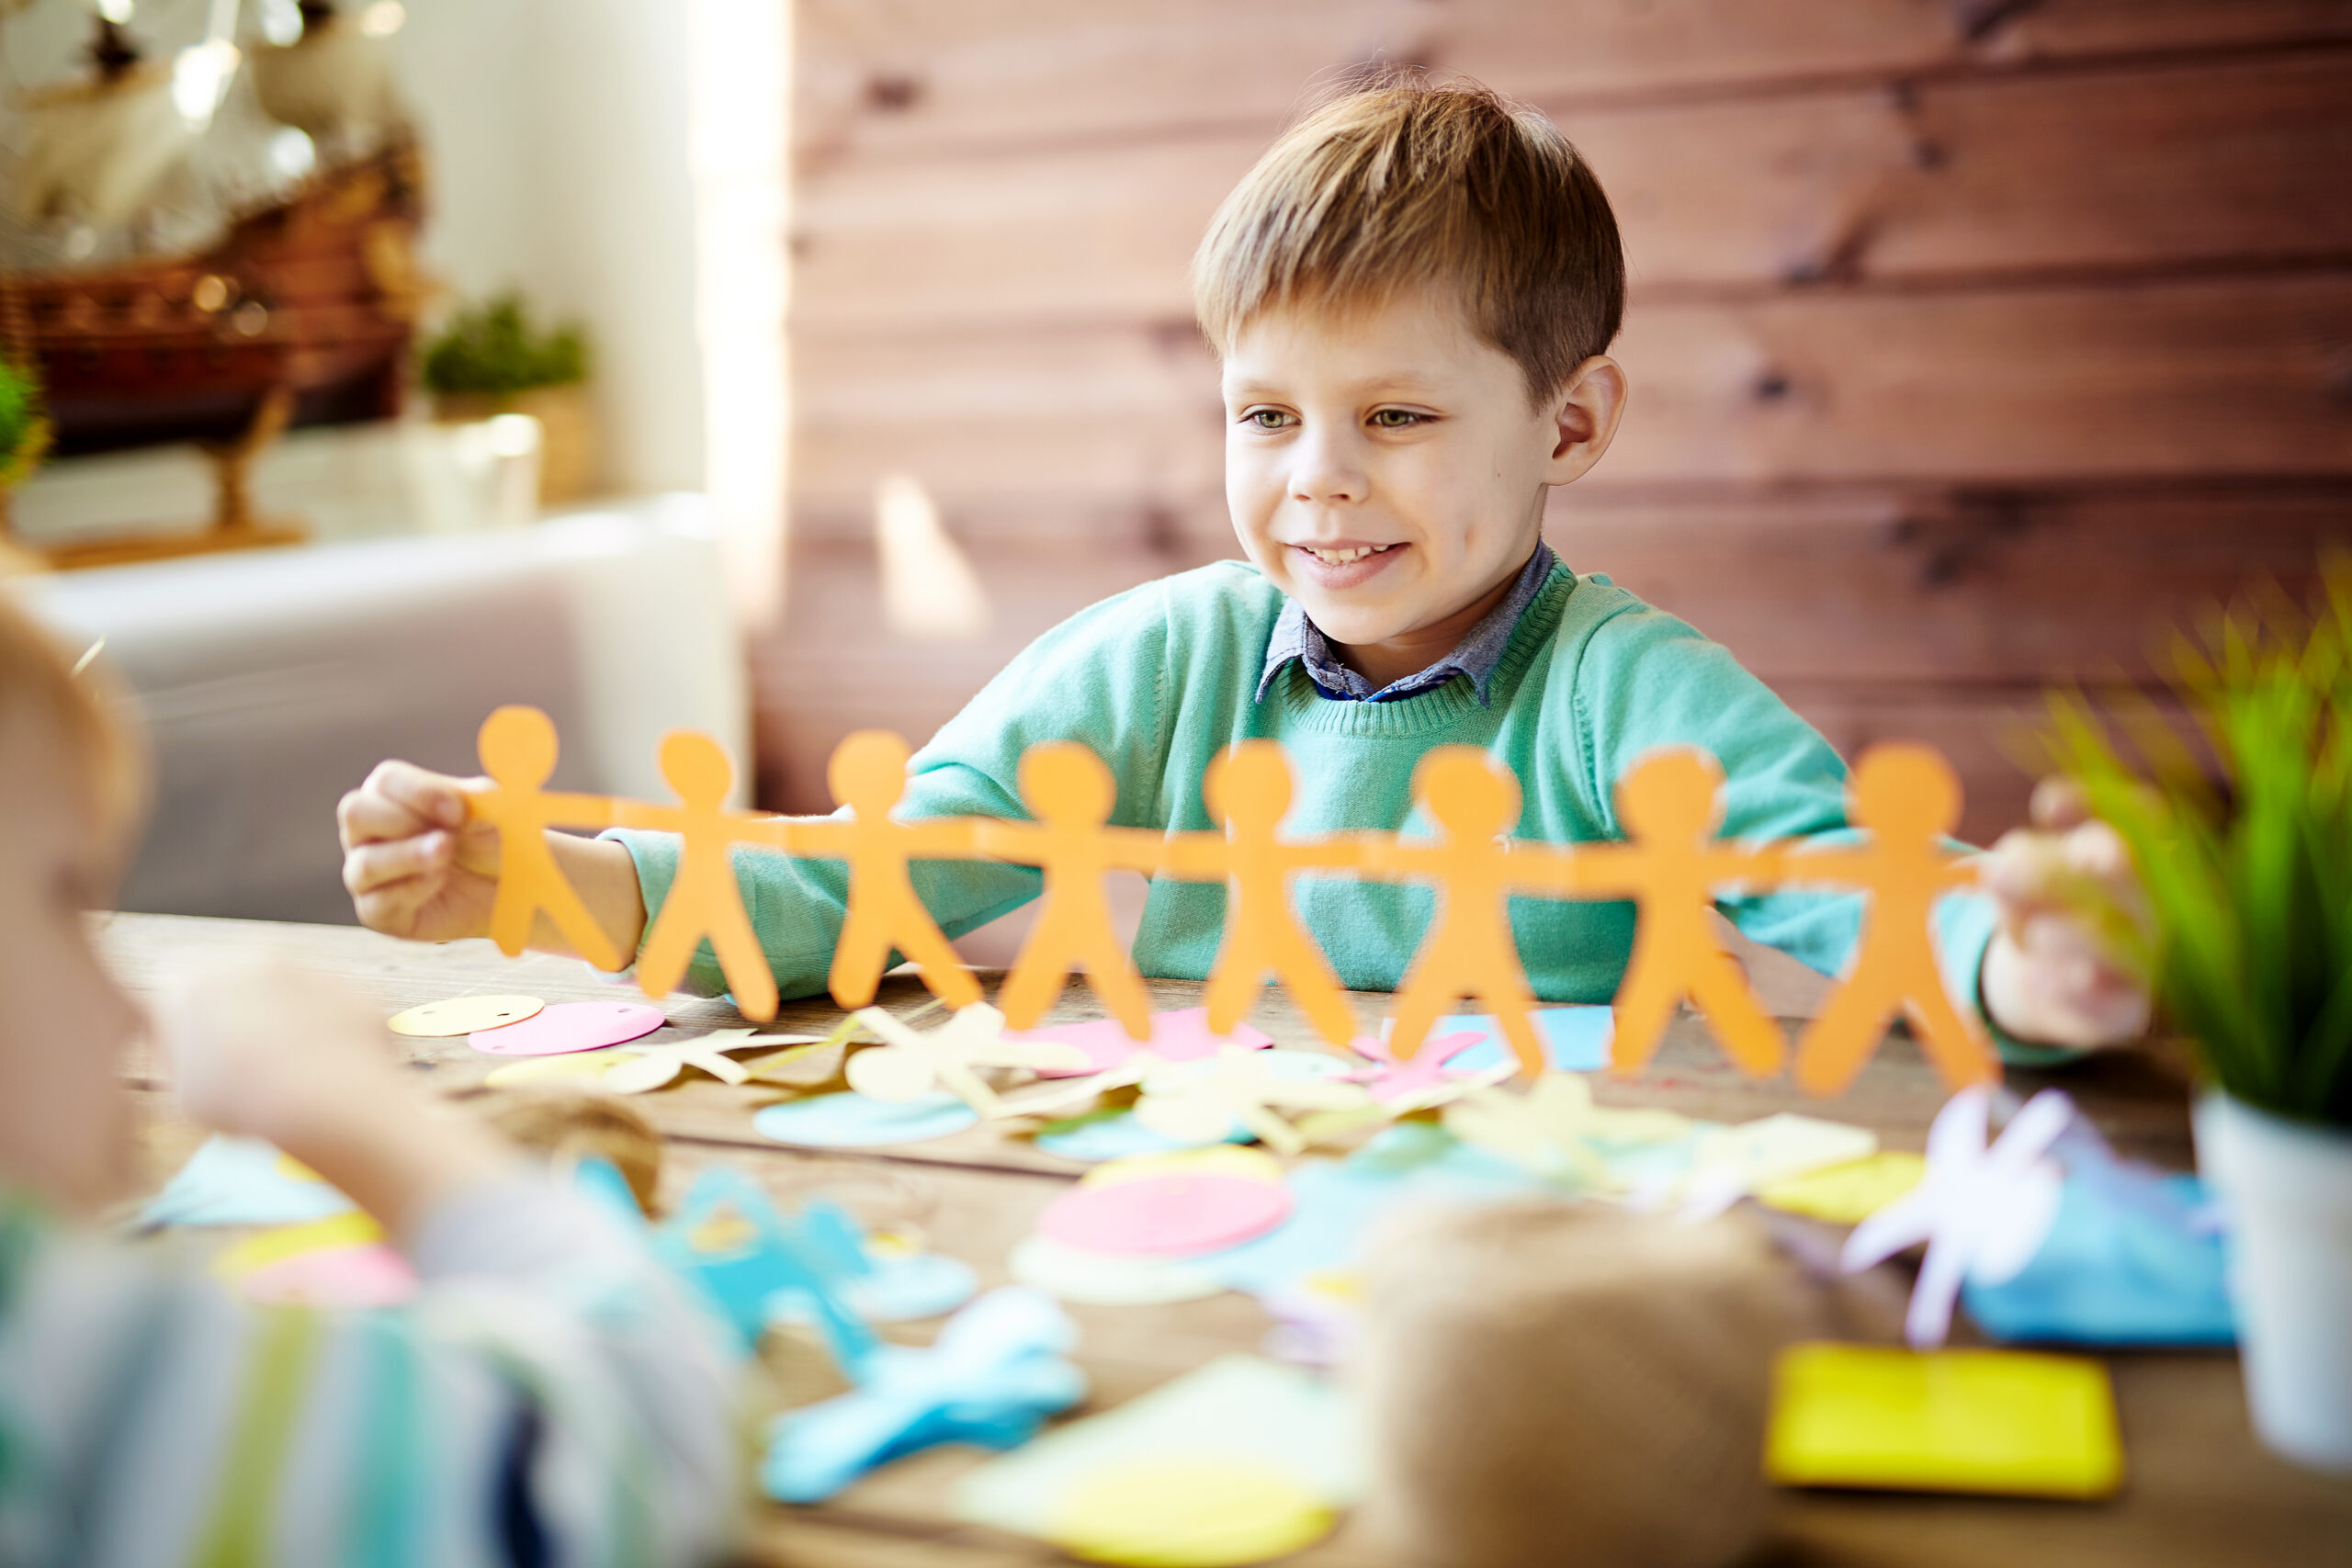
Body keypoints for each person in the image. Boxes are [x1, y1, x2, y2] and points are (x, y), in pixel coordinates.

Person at [336, 74, 2146, 1063]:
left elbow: (1839, 877)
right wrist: (549, 880)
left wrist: (2023, 954)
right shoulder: (1160, 663)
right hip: (1207, 1212)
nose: (1316, 484)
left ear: (1570, 427)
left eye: (1395, 418)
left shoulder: (1615, 689)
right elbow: (857, 883)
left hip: (1525, 1237)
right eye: (1263, 415)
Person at [0, 594, 741, 1564]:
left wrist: (555, 883)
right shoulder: (71, 1360)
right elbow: (647, 1435)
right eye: (66, 898)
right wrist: (357, 1110)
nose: (129, 1007)